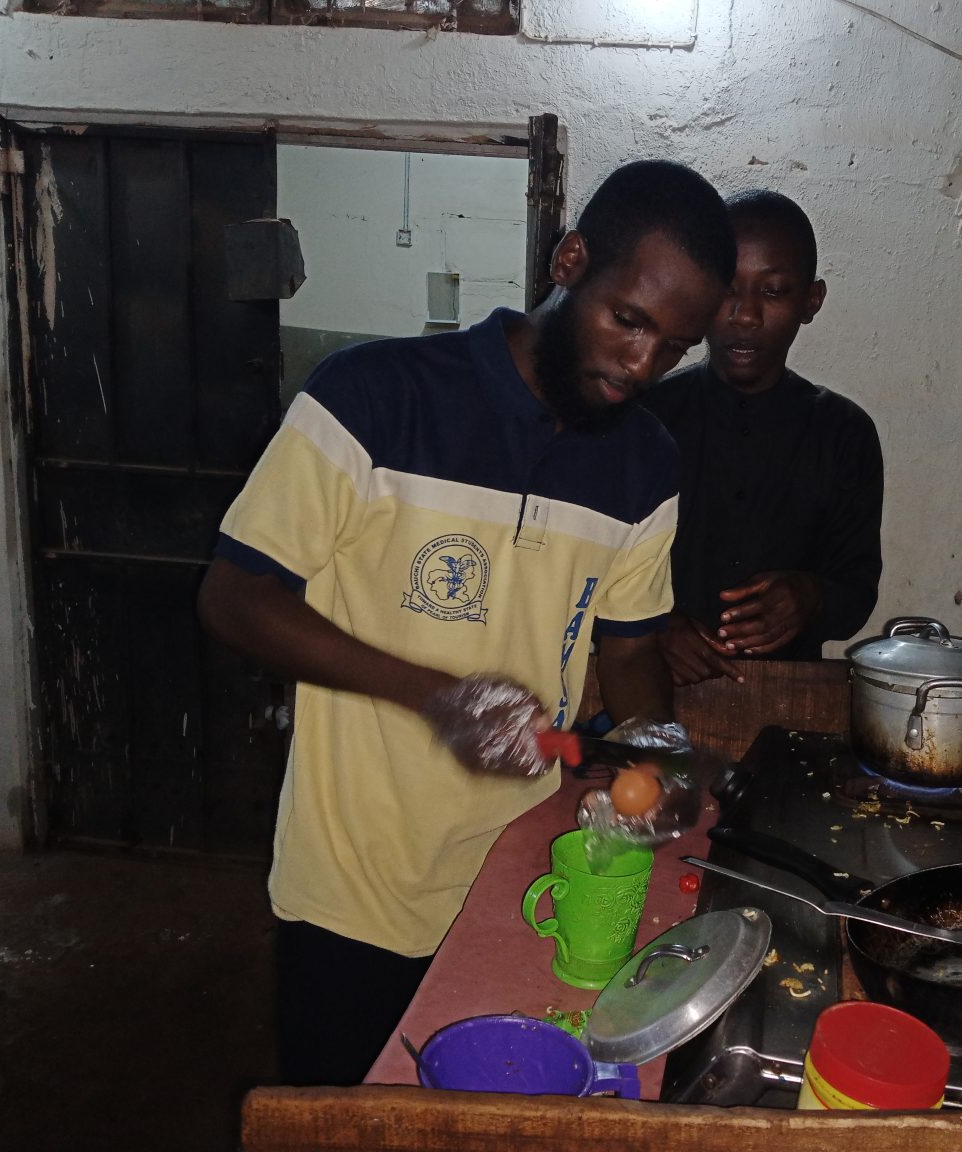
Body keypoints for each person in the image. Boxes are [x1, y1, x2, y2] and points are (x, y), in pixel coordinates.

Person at [196, 159, 736, 1086]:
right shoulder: (373, 396)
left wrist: (657, 751)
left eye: (673, 347)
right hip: (357, 881)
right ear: (571, 261)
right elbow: (234, 599)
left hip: (528, 873)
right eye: (628, 320)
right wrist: (438, 696)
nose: (641, 365)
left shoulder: (645, 462)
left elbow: (633, 642)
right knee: (346, 1115)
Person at [641, 190, 884, 686]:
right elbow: (585, 567)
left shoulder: (844, 434)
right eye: (727, 288)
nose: (745, 315)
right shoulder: (645, 417)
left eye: (773, 291)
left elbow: (857, 592)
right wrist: (648, 625)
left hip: (788, 698)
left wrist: (811, 597)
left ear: (811, 302)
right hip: (649, 688)